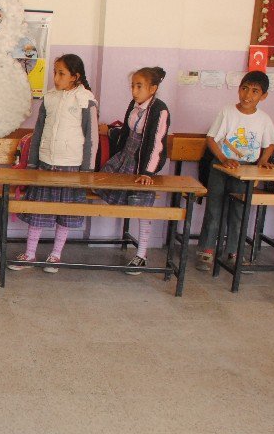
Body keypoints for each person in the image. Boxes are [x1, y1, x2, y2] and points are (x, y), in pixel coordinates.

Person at [10, 54, 99, 272]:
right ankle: (30, 253)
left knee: (65, 212)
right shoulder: (49, 98)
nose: (56, 78)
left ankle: (56, 255)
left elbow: (92, 137)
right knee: (37, 211)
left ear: (75, 77)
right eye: (55, 72)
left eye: (61, 73)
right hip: (46, 163)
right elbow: (38, 133)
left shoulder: (85, 99)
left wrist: (87, 169)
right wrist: (32, 163)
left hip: (71, 166)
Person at [195, 71, 274, 271]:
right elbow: (211, 138)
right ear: (239, 89)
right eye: (244, 88)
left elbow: (271, 143)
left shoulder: (264, 119)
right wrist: (224, 159)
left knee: (239, 212)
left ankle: (234, 252)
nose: (247, 95)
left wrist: (263, 161)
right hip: (220, 168)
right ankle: (207, 252)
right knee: (214, 211)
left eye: (255, 91)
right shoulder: (227, 111)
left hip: (246, 171)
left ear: (263, 96)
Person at [97, 67, 171, 274]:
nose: (134, 91)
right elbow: (128, 132)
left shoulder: (159, 110)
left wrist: (147, 172)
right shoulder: (134, 105)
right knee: (103, 184)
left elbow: (157, 143)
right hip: (126, 157)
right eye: (133, 86)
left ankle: (142, 254)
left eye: (139, 86)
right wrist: (111, 131)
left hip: (142, 163)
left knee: (141, 206)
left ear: (153, 88)